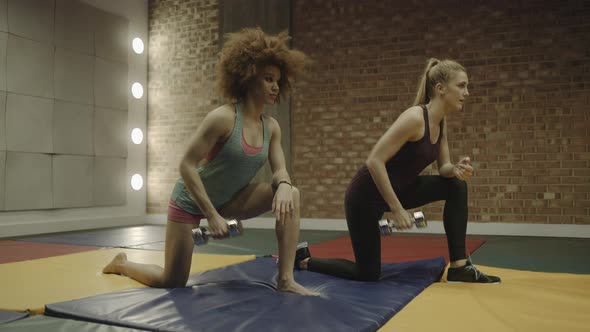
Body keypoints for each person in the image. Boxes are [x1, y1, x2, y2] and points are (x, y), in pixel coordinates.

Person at [103, 28, 317, 295]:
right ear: (249, 77)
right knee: (172, 281)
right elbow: (186, 165)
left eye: (278, 80)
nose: (275, 86)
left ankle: (285, 279)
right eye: (268, 79)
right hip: (191, 201)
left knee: (291, 194)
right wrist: (211, 215)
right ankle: (123, 264)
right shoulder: (223, 118)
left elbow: (280, 168)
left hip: (230, 199)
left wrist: (284, 183)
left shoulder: (271, 127)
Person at [297, 58, 501, 283]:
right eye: (461, 86)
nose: (467, 92)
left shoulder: (441, 122)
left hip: (402, 187)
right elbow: (374, 161)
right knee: (367, 274)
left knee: (456, 185)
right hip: (365, 197)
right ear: (440, 89)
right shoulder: (415, 118)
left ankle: (459, 267)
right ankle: (305, 260)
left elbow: (444, 168)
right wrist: (397, 209)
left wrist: (456, 169)